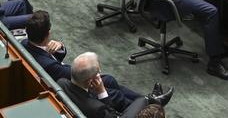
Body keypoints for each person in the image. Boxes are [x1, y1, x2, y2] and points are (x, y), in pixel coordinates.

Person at [25, 11, 170, 113]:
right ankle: (149, 105)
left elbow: (58, 59)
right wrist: (101, 89)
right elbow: (78, 74)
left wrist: (60, 46)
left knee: (111, 82)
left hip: (70, 83)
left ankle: (149, 99)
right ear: (47, 33)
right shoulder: (50, 65)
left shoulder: (27, 43)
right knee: (114, 92)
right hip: (78, 88)